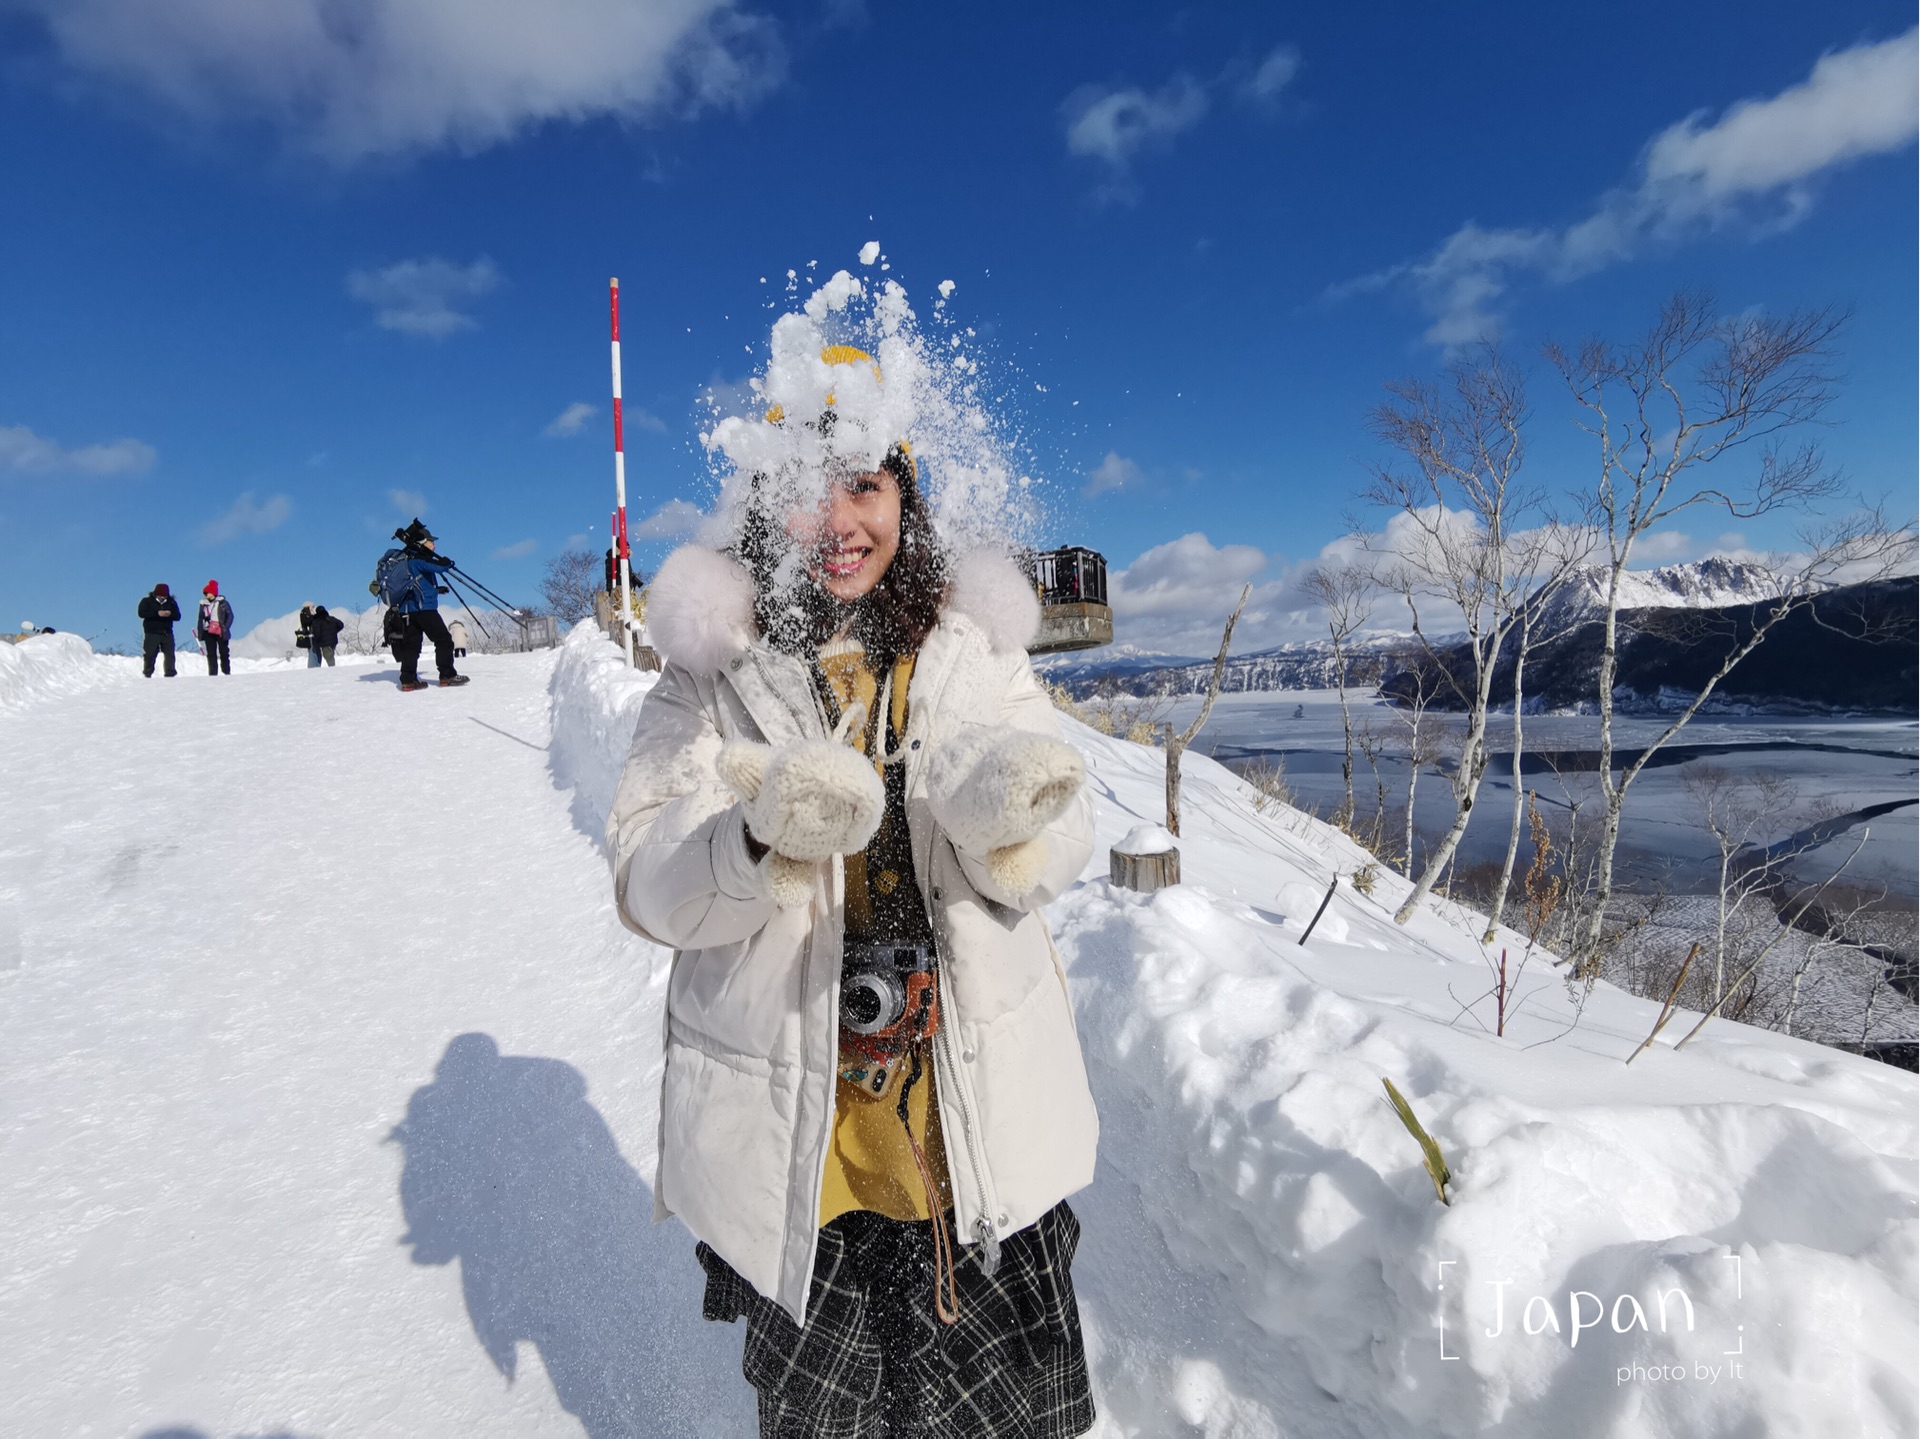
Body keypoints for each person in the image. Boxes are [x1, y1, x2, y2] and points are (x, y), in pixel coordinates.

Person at [606, 406, 1099, 1436]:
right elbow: (650, 880)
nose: (836, 518)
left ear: (905, 502)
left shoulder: (976, 651)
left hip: (973, 1140)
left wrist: (1004, 824)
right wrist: (754, 840)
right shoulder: (708, 678)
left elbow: (1070, 827)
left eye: (864, 486)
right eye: (803, 488)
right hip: (805, 1154)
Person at [378, 519, 469, 692]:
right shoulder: (418, 559)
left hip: (407, 611)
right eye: (431, 543)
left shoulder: (405, 560)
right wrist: (446, 562)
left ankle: (408, 680)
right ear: (422, 543)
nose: (433, 547)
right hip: (425, 609)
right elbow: (440, 567)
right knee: (443, 640)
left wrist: (436, 590)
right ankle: (447, 675)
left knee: (412, 646)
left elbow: (416, 583)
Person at [137, 583, 182, 678]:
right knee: (150, 654)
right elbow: (141, 613)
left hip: (167, 633)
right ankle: (147, 673)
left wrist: (169, 614)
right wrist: (157, 613)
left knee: (170, 654)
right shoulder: (147, 601)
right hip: (151, 633)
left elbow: (178, 616)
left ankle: (170, 674)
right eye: (160, 595)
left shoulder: (171, 602)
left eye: (164, 595)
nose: (162, 597)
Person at [196, 581, 234, 676]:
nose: (205, 595)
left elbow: (230, 616)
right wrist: (200, 631)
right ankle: (213, 674)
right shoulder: (203, 604)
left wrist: (225, 627)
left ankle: (226, 671)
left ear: (212, 592)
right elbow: (200, 618)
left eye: (207, 592)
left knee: (224, 652)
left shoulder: (223, 603)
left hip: (221, 630)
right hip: (208, 631)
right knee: (211, 653)